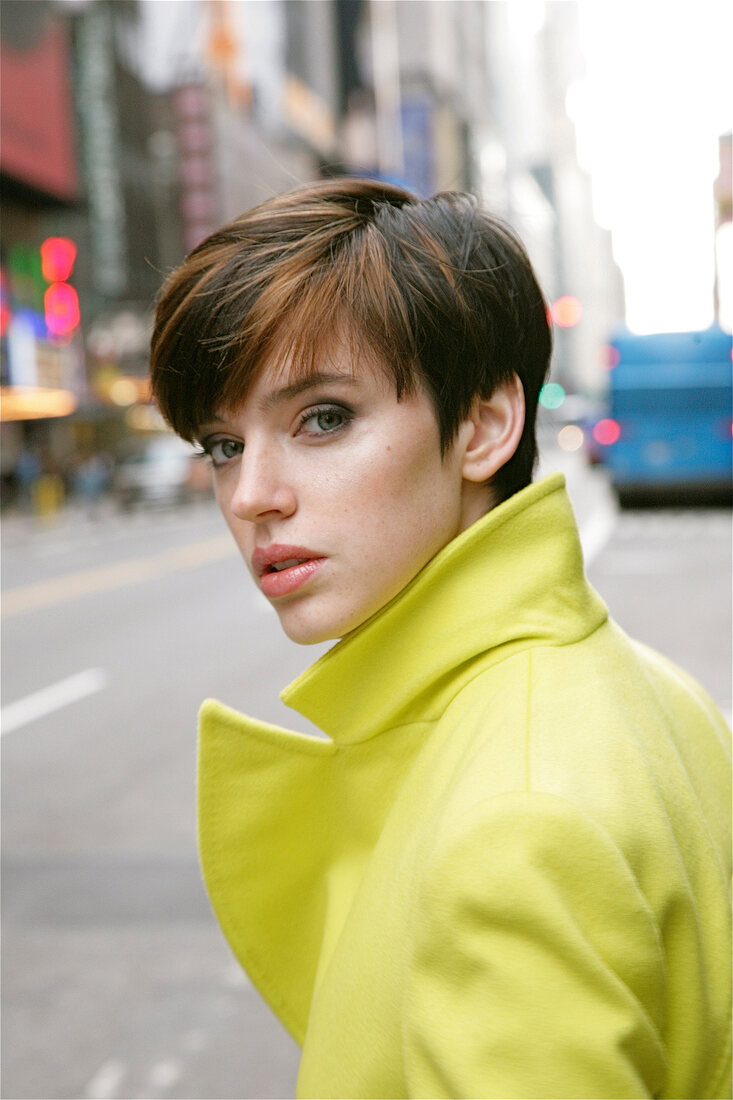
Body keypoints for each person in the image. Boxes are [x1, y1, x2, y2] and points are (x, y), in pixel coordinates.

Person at [149, 178, 731, 1099]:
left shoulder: (516, 824)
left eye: (323, 418)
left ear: (484, 425)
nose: (253, 493)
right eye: (223, 444)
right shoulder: (650, 688)